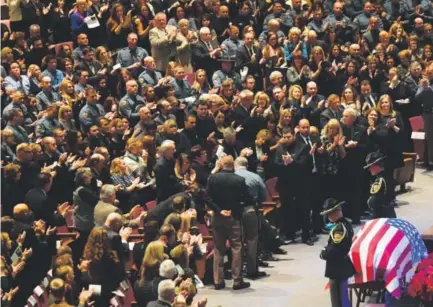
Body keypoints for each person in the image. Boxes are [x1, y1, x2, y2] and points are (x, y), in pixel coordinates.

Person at [206, 155, 253, 290]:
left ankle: (218, 281)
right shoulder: (239, 180)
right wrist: (234, 208)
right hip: (233, 217)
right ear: (233, 165)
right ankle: (237, 280)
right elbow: (247, 198)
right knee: (236, 247)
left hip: (217, 217)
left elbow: (207, 198)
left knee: (219, 248)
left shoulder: (213, 178)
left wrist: (219, 210)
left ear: (221, 164)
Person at [319, 198, 355, 307]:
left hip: (337, 268)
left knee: (338, 300)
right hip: (342, 267)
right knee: (341, 298)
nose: (328, 217)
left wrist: (323, 253)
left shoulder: (339, 228)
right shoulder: (345, 223)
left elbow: (334, 249)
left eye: (329, 214)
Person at [364, 151, 397, 218]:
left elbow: (373, 202)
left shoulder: (379, 181)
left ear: (377, 165)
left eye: (371, 166)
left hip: (381, 215)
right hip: (390, 212)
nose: (370, 169)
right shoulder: (388, 176)